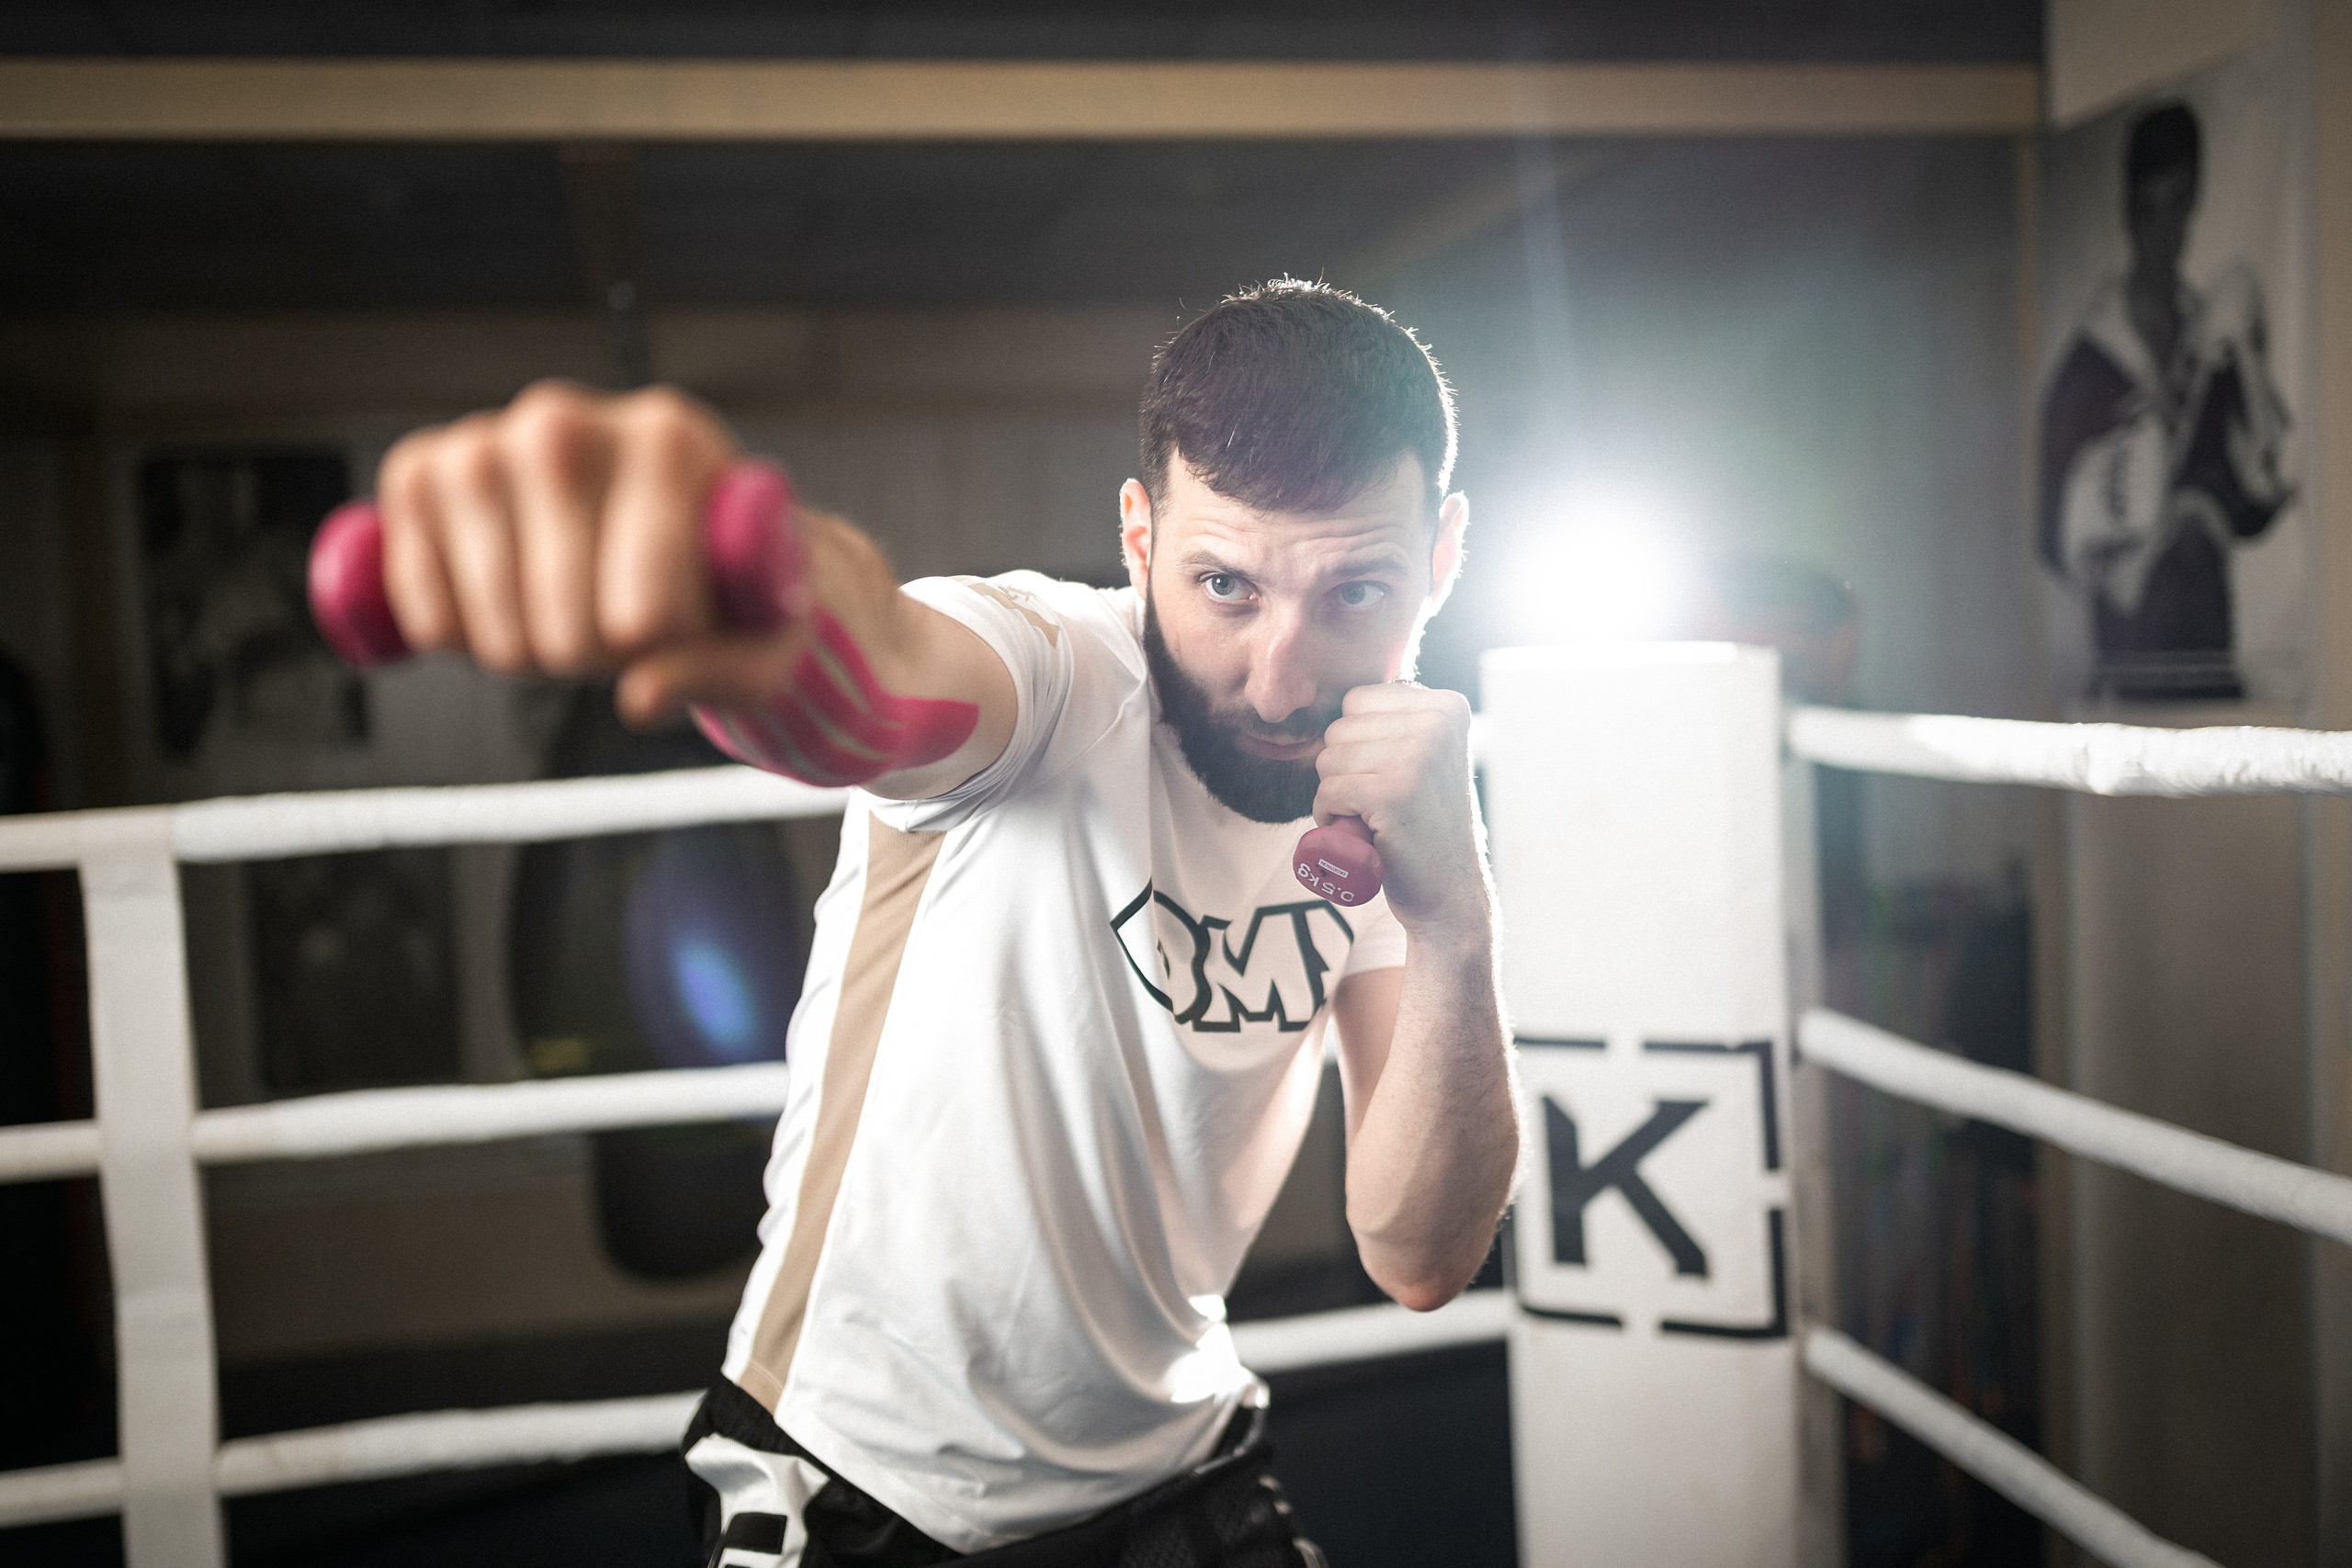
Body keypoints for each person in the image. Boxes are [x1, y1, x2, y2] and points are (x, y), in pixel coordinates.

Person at [367, 280, 1520, 1567]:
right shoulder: (1063, 677)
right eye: (1225, 586)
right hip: (872, 1482)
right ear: (1139, 538)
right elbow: (878, 673)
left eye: (1356, 591)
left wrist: (1455, 914)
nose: (1282, 677)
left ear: (1443, 554)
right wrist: (746, 591)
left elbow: (1417, 1251)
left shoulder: (1384, 789)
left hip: (1182, 1459)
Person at [2037, 100, 2295, 701]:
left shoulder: (2213, 343)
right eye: (2149, 207)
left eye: (2178, 203)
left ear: (2194, 204)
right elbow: (2050, 539)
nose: (2164, 230)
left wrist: (2207, 502)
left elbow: (2257, 503)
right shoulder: (2086, 369)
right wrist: (2116, 521)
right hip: (2128, 663)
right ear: (2128, 211)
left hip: (2211, 650)